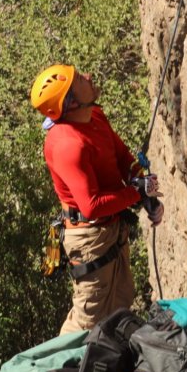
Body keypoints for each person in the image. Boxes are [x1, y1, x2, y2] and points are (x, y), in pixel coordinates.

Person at [30, 64, 164, 334]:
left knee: (121, 302)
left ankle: (109, 366)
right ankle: (64, 370)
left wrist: (141, 185)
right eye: (80, 79)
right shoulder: (68, 145)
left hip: (112, 226)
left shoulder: (94, 115)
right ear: (70, 102)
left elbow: (121, 155)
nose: (89, 77)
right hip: (90, 238)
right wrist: (137, 193)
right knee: (87, 320)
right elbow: (90, 206)